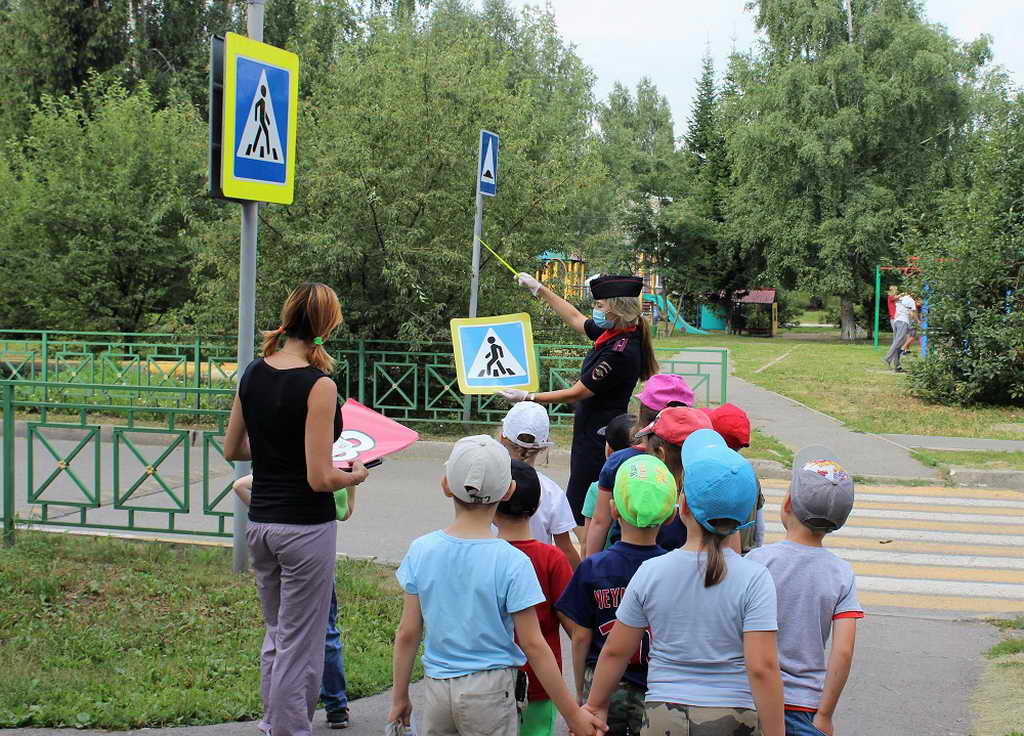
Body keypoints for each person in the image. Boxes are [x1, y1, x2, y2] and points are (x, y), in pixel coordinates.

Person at [224, 282, 370, 736]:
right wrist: (355, 475)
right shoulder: (318, 385)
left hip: (262, 523)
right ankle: (287, 730)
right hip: (305, 528)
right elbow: (319, 478)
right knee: (300, 642)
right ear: (328, 325)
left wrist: (275, 448)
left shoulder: (252, 372)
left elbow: (234, 448)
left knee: (278, 633)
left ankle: (274, 722)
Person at [387, 436, 605, 736]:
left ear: (446, 485)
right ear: (507, 491)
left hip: (437, 689)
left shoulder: (422, 550)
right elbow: (533, 645)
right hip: (490, 691)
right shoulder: (513, 561)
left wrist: (400, 697)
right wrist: (573, 714)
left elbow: (407, 632)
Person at [584, 429, 785, 736]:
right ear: (745, 516)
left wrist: (596, 704)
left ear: (684, 507)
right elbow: (762, 668)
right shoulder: (755, 578)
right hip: (733, 715)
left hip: (664, 714)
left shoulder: (652, 571)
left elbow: (616, 651)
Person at [503, 273, 658, 529]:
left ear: (616, 309)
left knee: (583, 499)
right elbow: (576, 318)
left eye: (600, 305)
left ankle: (584, 549)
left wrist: (528, 396)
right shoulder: (617, 329)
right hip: (592, 425)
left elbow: (577, 392)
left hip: (598, 433)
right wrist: (540, 289)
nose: (595, 310)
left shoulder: (620, 351)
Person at [557, 454, 677, 736]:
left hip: (602, 683)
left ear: (613, 510)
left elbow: (581, 637)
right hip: (656, 685)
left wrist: (582, 691)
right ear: (671, 515)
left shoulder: (593, 568)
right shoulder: (672, 570)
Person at [746, 447, 861, 736]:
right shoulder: (841, 573)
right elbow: (843, 650)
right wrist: (825, 714)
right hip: (807, 707)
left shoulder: (758, 561)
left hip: (751, 697)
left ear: (787, 504)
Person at [233, 474, 355, 729]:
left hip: (268, 533)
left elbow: (239, 484)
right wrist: (353, 481)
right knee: (324, 634)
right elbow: (345, 513)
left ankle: (272, 719)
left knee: (279, 634)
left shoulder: (282, 469)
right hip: (314, 555)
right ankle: (336, 706)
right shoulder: (334, 473)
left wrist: (265, 508)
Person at [493, 460, 576, 736]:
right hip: (540, 681)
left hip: (488, 680)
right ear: (539, 505)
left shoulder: (484, 554)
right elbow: (573, 625)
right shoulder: (551, 558)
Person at [589, 407, 711, 557]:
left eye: (648, 448)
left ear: (660, 454)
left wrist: (591, 564)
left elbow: (600, 523)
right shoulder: (709, 502)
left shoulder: (638, 496)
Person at [499, 401, 581, 569]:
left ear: (502, 437)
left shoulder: (489, 481)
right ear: (544, 447)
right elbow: (566, 549)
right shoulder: (552, 492)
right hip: (536, 580)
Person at [701, 403, 765, 553]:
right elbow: (760, 527)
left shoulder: (706, 472)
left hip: (712, 556)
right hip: (746, 556)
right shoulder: (750, 474)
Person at [580, 414, 636, 548]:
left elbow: (587, 539)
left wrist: (589, 564)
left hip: (606, 562)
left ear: (610, 450)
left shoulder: (597, 489)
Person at [884, 291, 916, 373]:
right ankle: (887, 358)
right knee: (898, 342)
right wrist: (917, 320)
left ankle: (897, 366)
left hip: (896, 321)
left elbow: (896, 304)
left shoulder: (900, 298)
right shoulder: (911, 301)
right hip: (903, 322)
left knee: (898, 343)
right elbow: (912, 314)